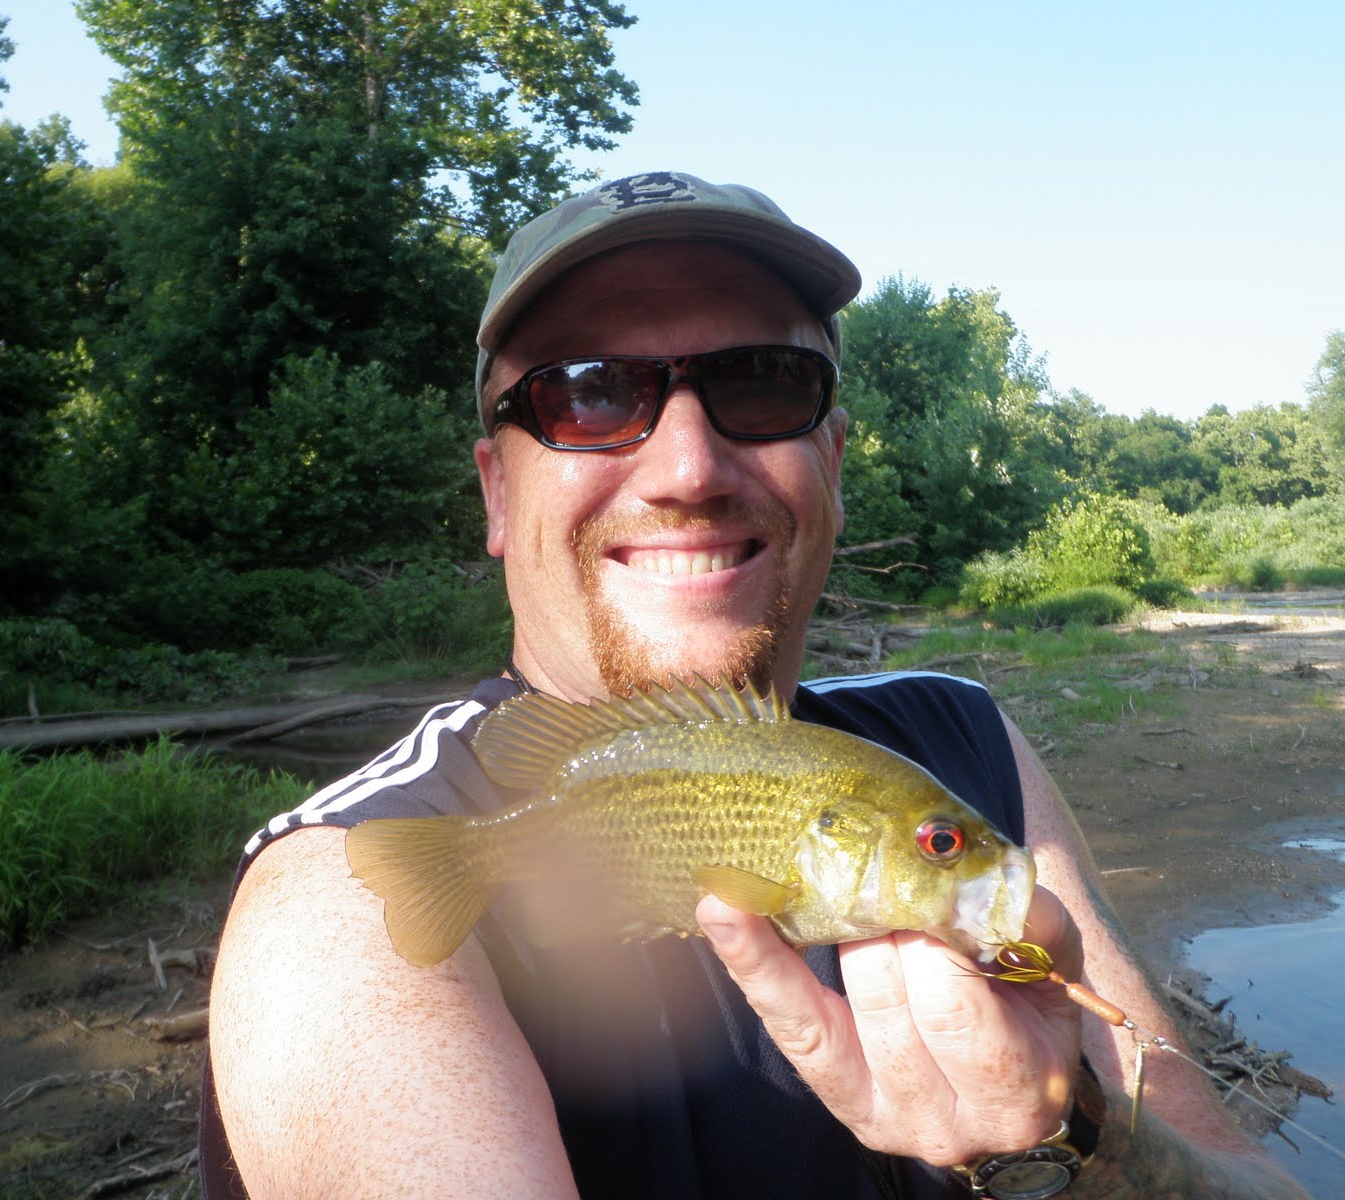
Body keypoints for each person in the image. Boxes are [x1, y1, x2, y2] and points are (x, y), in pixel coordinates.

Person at [204, 171, 1309, 1199]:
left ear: (828, 461)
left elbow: (1242, 1177)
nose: (687, 468)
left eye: (761, 381)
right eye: (588, 393)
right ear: (497, 492)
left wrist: (1076, 1144)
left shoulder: (954, 737)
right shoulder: (343, 898)